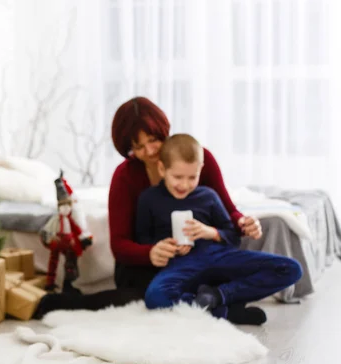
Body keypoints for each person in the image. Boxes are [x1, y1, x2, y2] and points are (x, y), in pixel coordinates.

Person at [34, 96, 265, 319]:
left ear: (164, 130)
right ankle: (220, 308)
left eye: (153, 139)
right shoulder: (125, 176)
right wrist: (150, 253)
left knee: (220, 274)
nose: (150, 151)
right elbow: (120, 245)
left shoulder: (196, 158)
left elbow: (228, 211)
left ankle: (211, 303)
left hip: (196, 257)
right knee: (142, 296)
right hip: (145, 266)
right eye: (138, 147)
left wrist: (243, 222)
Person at [137, 134, 302, 325]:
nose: (184, 184)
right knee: (154, 297)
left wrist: (211, 233)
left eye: (192, 177)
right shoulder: (149, 199)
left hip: (218, 256)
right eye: (177, 177)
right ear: (162, 169)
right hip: (181, 264)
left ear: (200, 170)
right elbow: (143, 240)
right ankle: (226, 311)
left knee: (291, 268)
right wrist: (164, 248)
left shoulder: (208, 196)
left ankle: (218, 296)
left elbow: (233, 237)